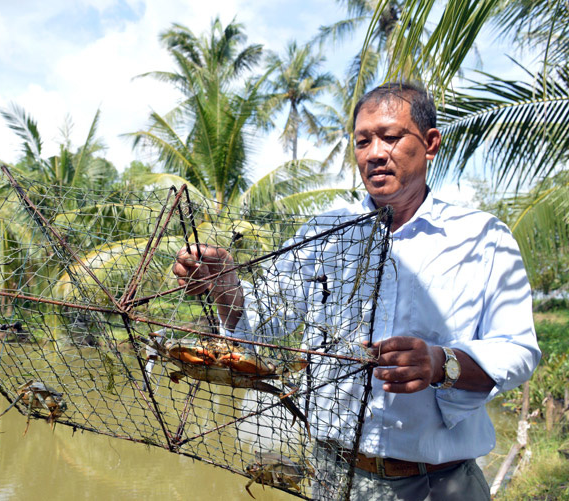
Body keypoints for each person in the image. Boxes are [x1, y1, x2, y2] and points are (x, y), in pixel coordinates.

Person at [172, 82, 540, 500]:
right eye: (363, 141)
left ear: (430, 143)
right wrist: (225, 284)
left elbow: (518, 350)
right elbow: (267, 322)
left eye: (391, 136)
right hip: (334, 477)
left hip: (437, 483)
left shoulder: (482, 238)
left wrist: (442, 363)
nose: (375, 152)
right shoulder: (323, 232)